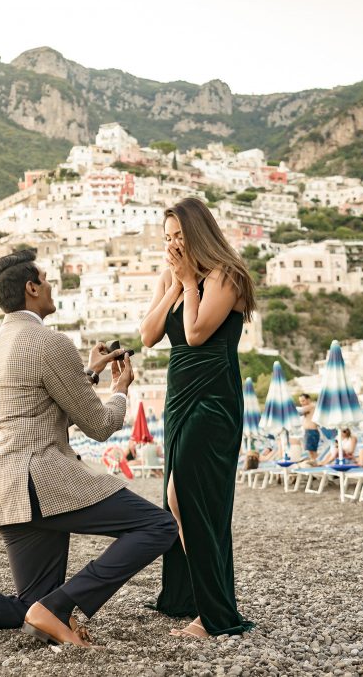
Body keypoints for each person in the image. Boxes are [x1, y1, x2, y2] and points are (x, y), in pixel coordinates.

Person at [0, 249, 177, 647]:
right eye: (46, 277)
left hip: (6, 488)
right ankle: (63, 606)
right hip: (43, 480)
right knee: (158, 526)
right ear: (31, 287)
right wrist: (121, 392)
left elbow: (37, 406)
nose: (52, 284)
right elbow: (99, 425)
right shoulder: (49, 341)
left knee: (31, 606)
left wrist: (87, 374)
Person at [139, 197, 256, 639]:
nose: (172, 245)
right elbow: (149, 336)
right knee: (176, 495)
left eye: (179, 236)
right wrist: (174, 284)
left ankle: (214, 613)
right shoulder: (172, 276)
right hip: (178, 394)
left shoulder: (227, 275)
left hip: (213, 396)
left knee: (190, 498)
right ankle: (192, 598)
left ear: (198, 234)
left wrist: (189, 282)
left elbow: (196, 333)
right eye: (167, 238)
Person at [298, 394, 321, 464]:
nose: (302, 403)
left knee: (313, 452)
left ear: (308, 399)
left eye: (303, 401)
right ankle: (317, 465)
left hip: (312, 432)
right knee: (311, 452)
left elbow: (299, 411)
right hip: (309, 432)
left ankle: (318, 465)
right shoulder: (307, 408)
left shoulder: (311, 406)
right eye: (300, 401)